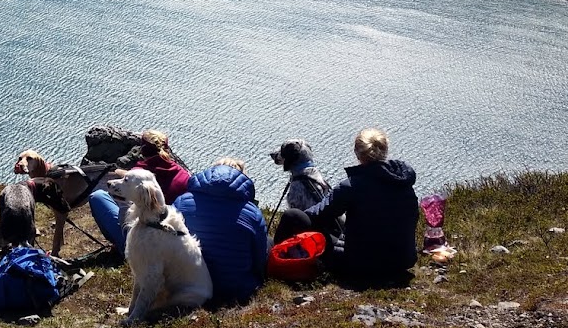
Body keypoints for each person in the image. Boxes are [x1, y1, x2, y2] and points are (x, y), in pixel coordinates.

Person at [296, 128, 420, 288]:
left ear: (357, 153)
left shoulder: (352, 185)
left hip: (361, 265)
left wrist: (299, 217)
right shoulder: (404, 183)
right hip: (402, 261)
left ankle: (277, 264)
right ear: (385, 150)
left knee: (295, 218)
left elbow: (319, 214)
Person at [173, 158, 267, 307]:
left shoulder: (181, 203)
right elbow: (259, 258)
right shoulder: (252, 213)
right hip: (236, 290)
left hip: (190, 288)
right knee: (267, 241)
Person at [87, 129, 191, 255]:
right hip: (176, 239)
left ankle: (121, 246)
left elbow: (124, 214)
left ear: (142, 150)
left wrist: (122, 174)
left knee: (97, 196)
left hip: (141, 243)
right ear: (166, 149)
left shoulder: (138, 177)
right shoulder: (183, 174)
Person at [267, 139, 335, 245]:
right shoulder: (319, 179)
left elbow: (295, 224)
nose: (276, 155)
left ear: (290, 159)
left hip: (313, 242)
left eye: (282, 152)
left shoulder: (298, 188)